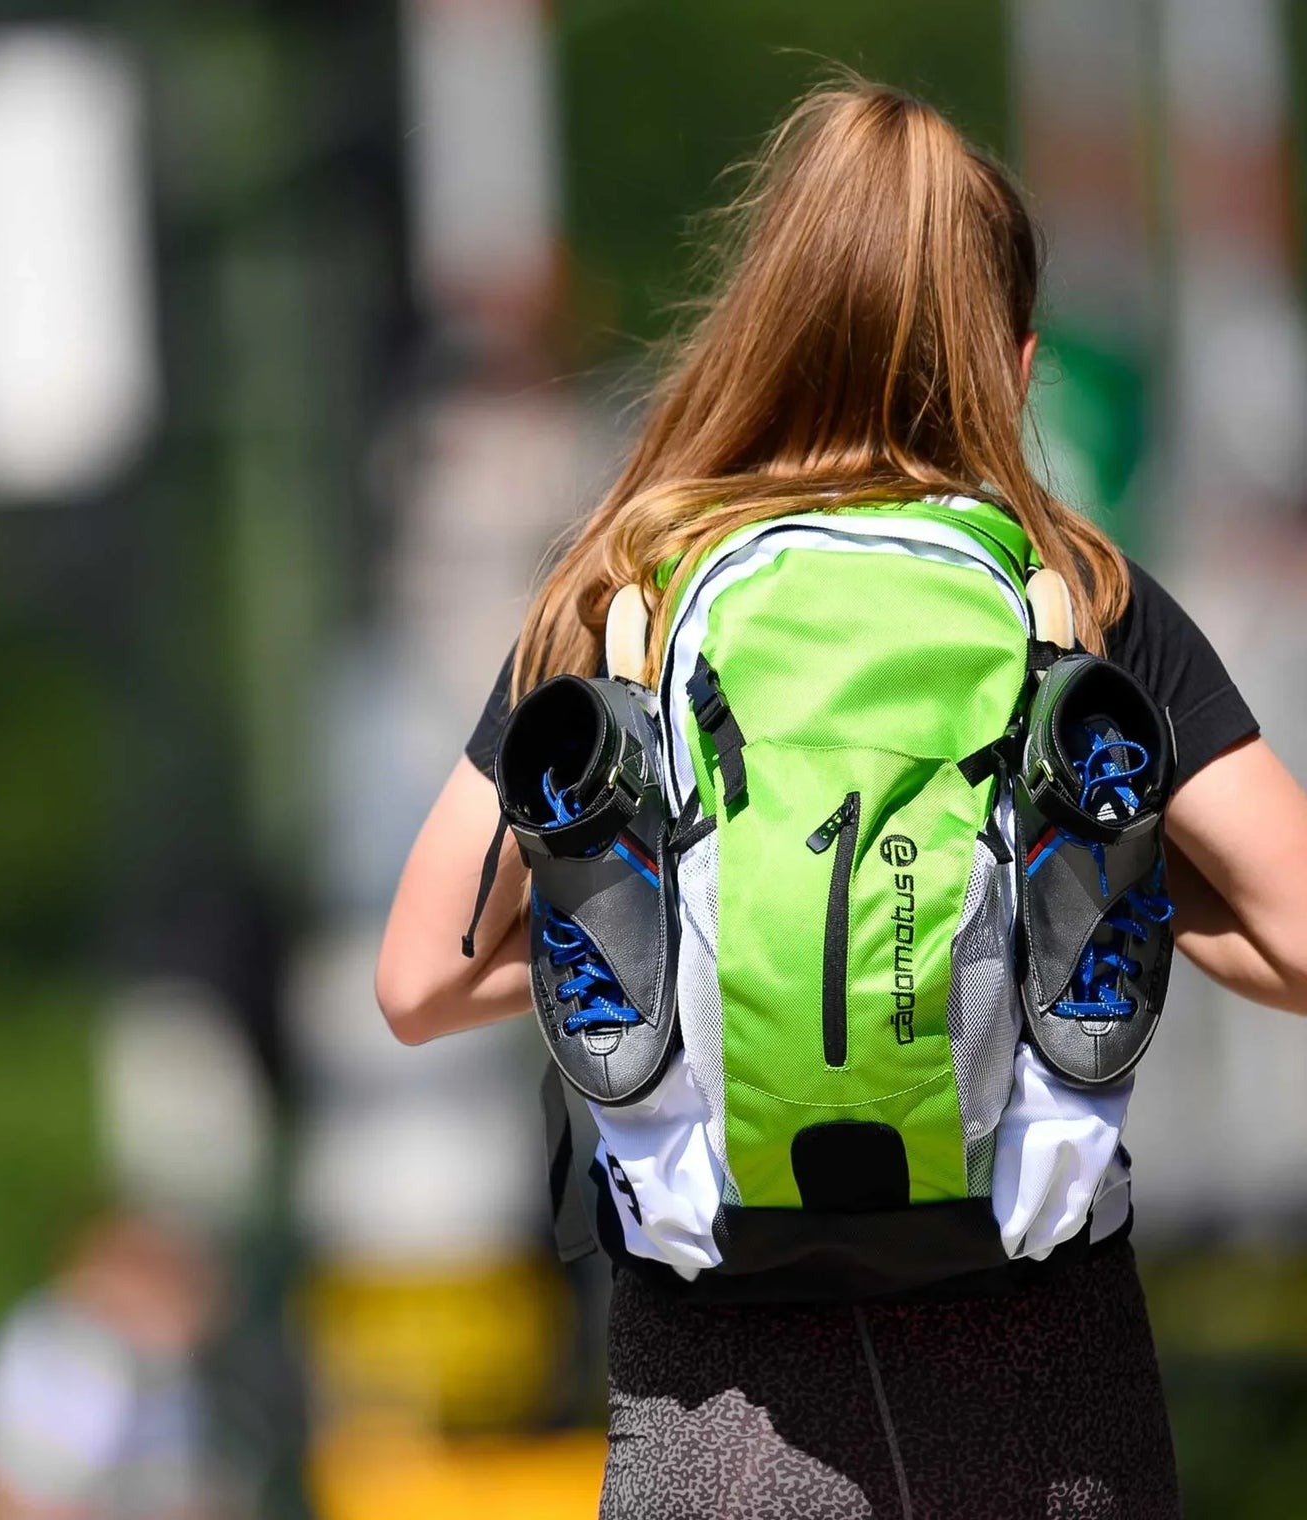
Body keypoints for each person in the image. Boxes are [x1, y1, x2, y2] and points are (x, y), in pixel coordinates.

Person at [375, 79, 1307, 1520]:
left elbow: (417, 981)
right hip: (1039, 1383)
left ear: (767, 317)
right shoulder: (1083, 598)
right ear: (1015, 361)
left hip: (722, 1392)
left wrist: (673, 924)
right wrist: (1071, 894)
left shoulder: (628, 590)